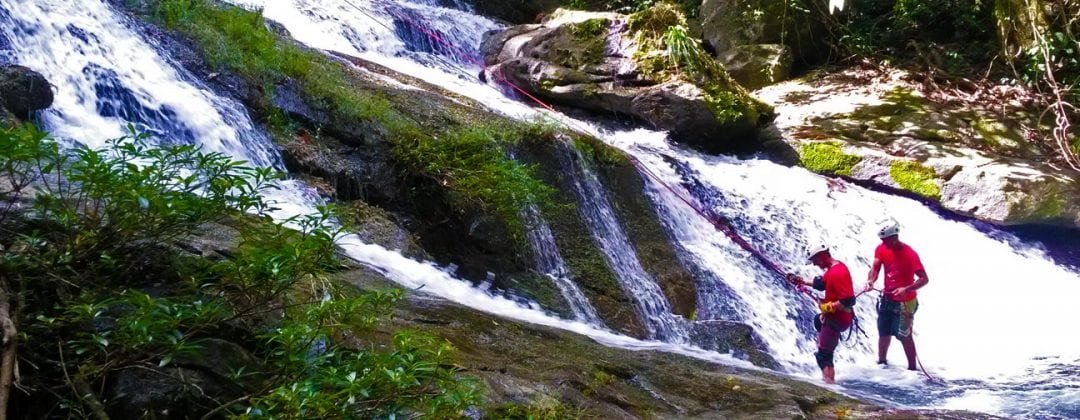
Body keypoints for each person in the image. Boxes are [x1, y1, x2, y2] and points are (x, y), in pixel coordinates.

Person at [864, 219, 929, 370]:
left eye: (886, 240)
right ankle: (881, 362)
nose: (883, 243)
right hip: (887, 298)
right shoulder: (881, 249)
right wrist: (870, 281)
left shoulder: (910, 254)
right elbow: (875, 267)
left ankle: (912, 368)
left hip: (905, 301)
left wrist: (906, 289)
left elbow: (924, 279)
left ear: (894, 237)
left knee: (904, 335)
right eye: (882, 240)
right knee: (883, 330)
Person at [788, 244, 856, 384]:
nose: (815, 265)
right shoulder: (833, 269)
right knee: (817, 321)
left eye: (815, 261)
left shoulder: (838, 273)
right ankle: (827, 376)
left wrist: (827, 307)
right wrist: (803, 282)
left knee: (824, 355)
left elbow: (848, 301)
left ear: (822, 256)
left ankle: (829, 384)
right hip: (837, 317)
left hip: (838, 318)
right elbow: (823, 284)